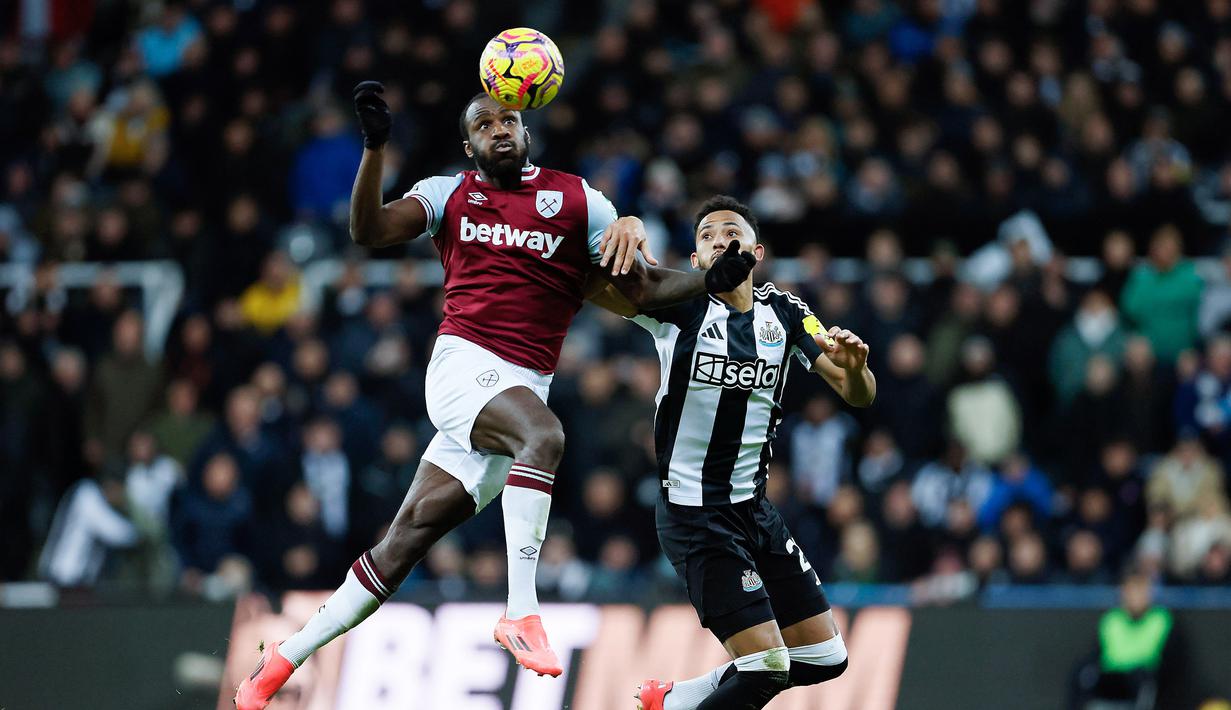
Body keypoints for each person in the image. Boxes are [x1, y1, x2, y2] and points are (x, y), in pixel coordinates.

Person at [235, 86, 755, 707]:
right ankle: (521, 611)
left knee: (402, 545)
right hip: (463, 368)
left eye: (509, 118)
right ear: (469, 144)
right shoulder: (445, 194)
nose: (499, 129)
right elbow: (368, 229)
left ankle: (280, 662)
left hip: (519, 389)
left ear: (527, 130)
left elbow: (639, 290)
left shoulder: (578, 200)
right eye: (484, 124)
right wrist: (374, 148)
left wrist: (707, 277)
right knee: (546, 437)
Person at [590, 196, 875, 710]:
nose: (719, 238)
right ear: (695, 259)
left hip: (756, 512)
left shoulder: (785, 313)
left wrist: (854, 368)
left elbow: (859, 394)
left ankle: (677, 700)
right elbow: (590, 285)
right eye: (706, 235)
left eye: (730, 230)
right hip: (695, 516)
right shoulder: (679, 304)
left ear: (756, 251)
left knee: (827, 657)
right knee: (767, 666)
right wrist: (620, 226)